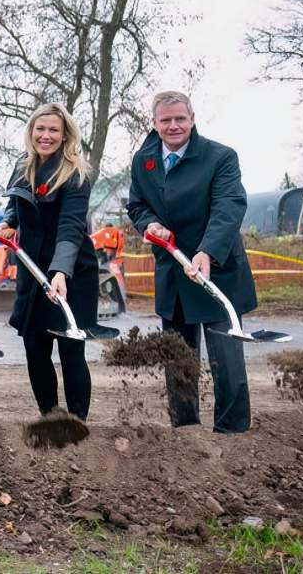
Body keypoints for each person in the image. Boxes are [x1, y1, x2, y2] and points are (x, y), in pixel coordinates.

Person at [126, 90, 256, 433]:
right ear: (154, 123)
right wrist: (148, 223)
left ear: (193, 118)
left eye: (180, 119)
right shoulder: (144, 160)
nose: (173, 126)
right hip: (173, 273)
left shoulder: (220, 157)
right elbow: (136, 205)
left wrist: (208, 251)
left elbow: (229, 207)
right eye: (165, 120)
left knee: (226, 361)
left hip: (216, 272)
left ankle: (233, 433)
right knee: (178, 359)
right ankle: (185, 434)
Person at [0, 103, 97, 420]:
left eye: (53, 129)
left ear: (65, 135)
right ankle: (50, 418)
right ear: (31, 132)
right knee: (35, 349)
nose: (46, 135)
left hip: (71, 270)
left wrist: (61, 271)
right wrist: (8, 222)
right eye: (40, 128)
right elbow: (16, 206)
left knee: (70, 349)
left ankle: (77, 422)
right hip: (31, 269)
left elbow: (71, 227)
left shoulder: (76, 173)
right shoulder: (23, 167)